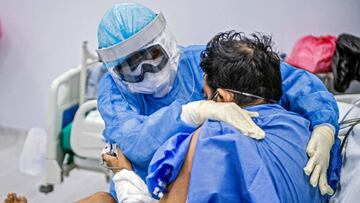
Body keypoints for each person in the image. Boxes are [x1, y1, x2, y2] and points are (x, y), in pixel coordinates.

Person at [82, 3, 340, 202]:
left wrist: (324, 125)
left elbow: (289, 80)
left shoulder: (202, 63)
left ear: (166, 43)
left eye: (152, 56)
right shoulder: (114, 91)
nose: (146, 71)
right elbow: (133, 142)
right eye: (131, 67)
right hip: (155, 186)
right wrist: (193, 112)